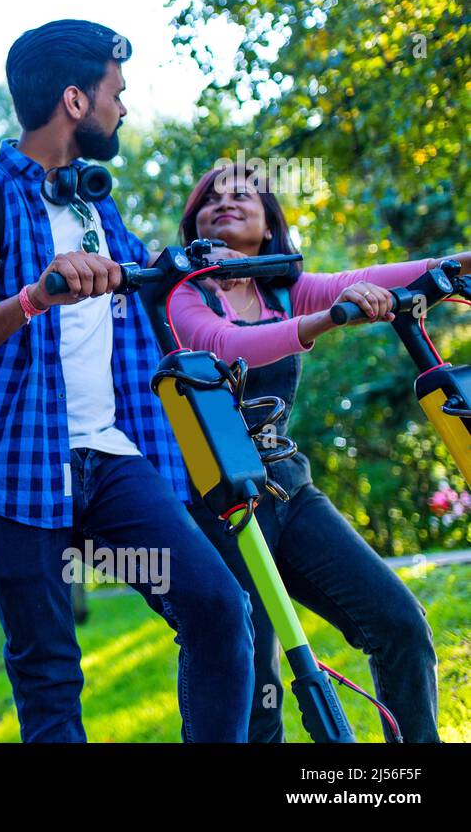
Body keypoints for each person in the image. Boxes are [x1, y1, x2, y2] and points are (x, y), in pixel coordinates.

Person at [0, 19, 255, 742]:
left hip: (112, 462)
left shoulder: (97, 208)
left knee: (219, 610)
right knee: (50, 676)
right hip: (9, 470)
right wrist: (35, 297)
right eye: (116, 93)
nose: (123, 108)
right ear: (75, 99)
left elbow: (159, 293)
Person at [169, 163, 458, 742]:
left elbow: (378, 273)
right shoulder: (181, 294)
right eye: (211, 199)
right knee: (253, 677)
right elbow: (228, 345)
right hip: (216, 500)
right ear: (195, 223)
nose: (226, 203)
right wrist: (328, 317)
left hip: (288, 489)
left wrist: (457, 267)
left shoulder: (281, 287)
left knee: (399, 624)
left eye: (244, 194)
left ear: (270, 222)